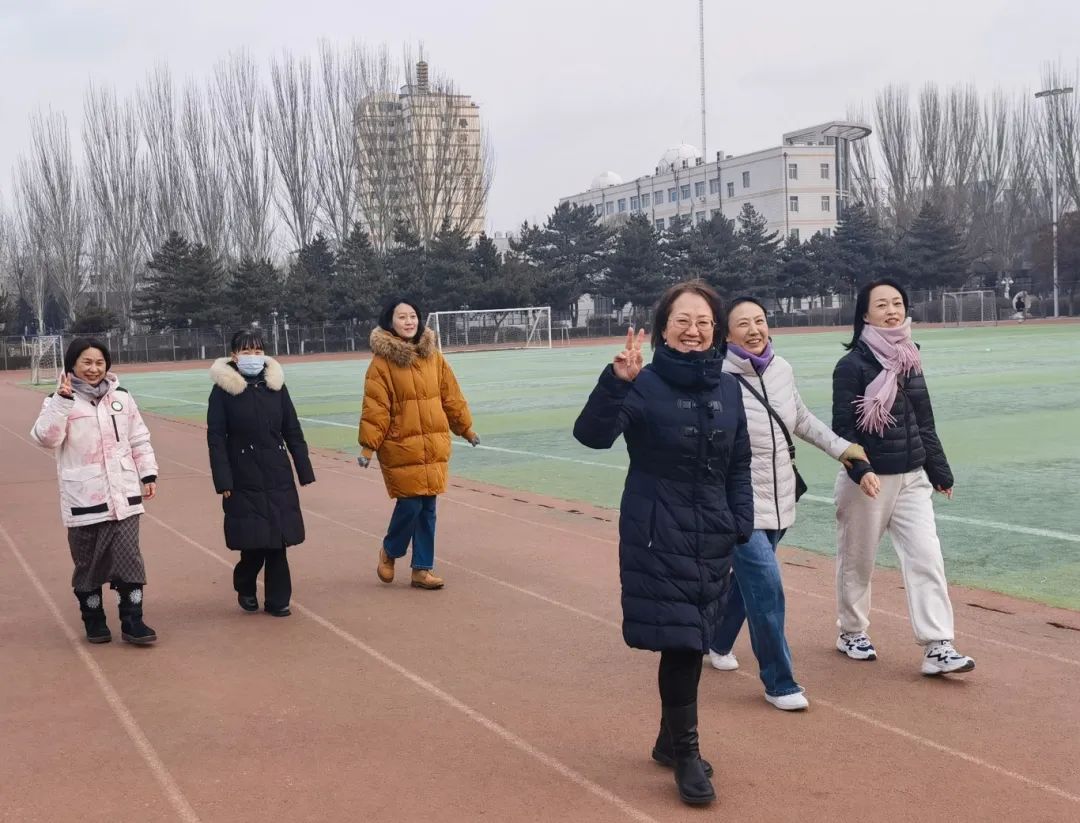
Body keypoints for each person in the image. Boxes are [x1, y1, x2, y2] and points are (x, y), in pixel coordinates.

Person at [573, 281, 753, 807]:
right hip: (658, 531)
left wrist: (741, 519)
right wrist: (616, 382)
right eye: (682, 321)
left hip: (713, 531)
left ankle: (666, 740)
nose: (693, 331)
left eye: (703, 322)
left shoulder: (729, 388)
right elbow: (592, 435)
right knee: (682, 642)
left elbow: (739, 461)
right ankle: (687, 753)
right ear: (663, 329)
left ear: (716, 330)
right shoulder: (643, 383)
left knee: (694, 635)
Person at [708, 297, 867, 711]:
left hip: (780, 498)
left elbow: (800, 419)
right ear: (727, 334)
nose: (754, 330)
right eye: (743, 324)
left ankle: (717, 640)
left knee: (748, 584)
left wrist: (842, 448)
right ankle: (780, 682)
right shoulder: (716, 378)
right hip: (738, 505)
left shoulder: (781, 369)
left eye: (759, 321)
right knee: (767, 587)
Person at [831, 278, 974, 675]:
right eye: (882, 305)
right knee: (857, 561)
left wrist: (939, 471)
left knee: (927, 557)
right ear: (865, 315)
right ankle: (851, 631)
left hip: (912, 478)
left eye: (897, 303)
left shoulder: (910, 358)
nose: (892, 310)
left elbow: (923, 420)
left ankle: (938, 645)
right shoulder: (851, 366)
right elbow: (843, 428)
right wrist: (861, 470)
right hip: (869, 482)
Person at [31, 338, 160, 645]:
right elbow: (46, 439)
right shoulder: (58, 400)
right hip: (84, 499)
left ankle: (133, 621)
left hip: (124, 496)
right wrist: (62, 402)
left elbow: (138, 438)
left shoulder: (122, 397)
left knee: (130, 560)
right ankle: (94, 620)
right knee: (88, 565)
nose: (93, 368)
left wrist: (148, 473)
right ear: (72, 365)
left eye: (99, 362)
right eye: (86, 362)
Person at [358, 298, 478, 590]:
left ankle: (422, 569)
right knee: (410, 505)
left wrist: (465, 428)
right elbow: (376, 408)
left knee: (428, 508)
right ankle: (390, 551)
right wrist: (368, 447)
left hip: (433, 443)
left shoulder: (433, 357)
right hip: (401, 444)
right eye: (402, 317)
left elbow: (451, 396)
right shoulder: (381, 364)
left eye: (412, 316)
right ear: (390, 322)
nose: (409, 321)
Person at [207, 329, 315, 617]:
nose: (253, 357)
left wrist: (303, 468)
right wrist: (223, 480)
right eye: (246, 351)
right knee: (254, 541)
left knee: (278, 539)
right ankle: (245, 582)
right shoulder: (222, 392)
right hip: (243, 475)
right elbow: (216, 439)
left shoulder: (276, 386)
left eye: (258, 351)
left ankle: (278, 600)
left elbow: (292, 428)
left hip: (277, 472)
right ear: (234, 356)